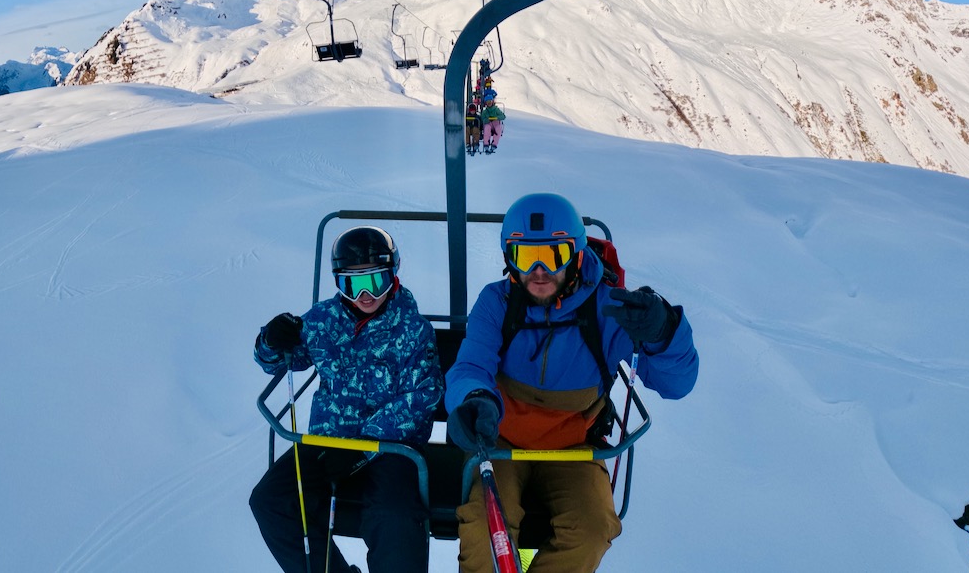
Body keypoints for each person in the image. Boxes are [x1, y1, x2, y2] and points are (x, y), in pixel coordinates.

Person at [445, 193, 699, 573]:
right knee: (486, 531)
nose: (540, 271)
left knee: (593, 529)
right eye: (526, 257)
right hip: (500, 443)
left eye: (554, 255)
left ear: (577, 255)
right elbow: (470, 364)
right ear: (508, 260)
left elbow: (676, 383)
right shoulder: (498, 302)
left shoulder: (608, 309)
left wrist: (664, 333)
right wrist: (475, 398)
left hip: (573, 448)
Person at [250, 226, 444, 573]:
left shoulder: (413, 330)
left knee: (394, 518)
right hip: (326, 442)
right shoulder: (324, 321)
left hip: (391, 450)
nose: (366, 295)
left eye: (377, 281)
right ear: (339, 284)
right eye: (353, 284)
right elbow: (279, 362)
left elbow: (422, 397)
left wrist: (361, 447)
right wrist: (271, 340)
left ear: (393, 276)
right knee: (271, 501)